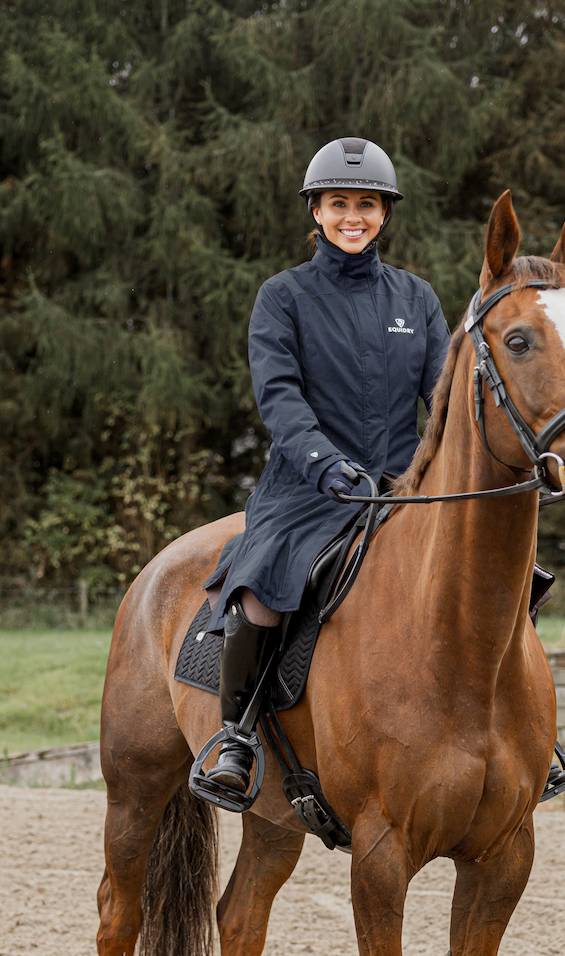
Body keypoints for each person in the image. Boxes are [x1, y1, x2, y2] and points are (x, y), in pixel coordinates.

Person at [199, 137, 450, 795]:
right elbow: (280, 396)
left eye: (366, 204)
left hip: (401, 486)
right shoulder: (282, 296)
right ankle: (236, 735)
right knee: (261, 584)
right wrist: (324, 463)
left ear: (385, 213)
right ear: (316, 211)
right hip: (308, 488)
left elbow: (444, 399)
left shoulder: (417, 299)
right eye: (339, 203)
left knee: (499, 572)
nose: (352, 217)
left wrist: (451, 466)